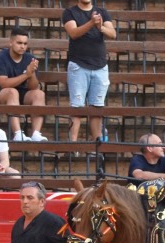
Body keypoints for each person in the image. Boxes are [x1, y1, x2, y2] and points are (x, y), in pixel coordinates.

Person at [63, 0, 115, 144]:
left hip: (100, 65)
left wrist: (100, 27)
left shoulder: (102, 12)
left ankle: (97, 145)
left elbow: (113, 33)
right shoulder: (70, 12)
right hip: (78, 65)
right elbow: (73, 33)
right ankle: (73, 145)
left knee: (97, 108)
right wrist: (91, 23)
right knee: (77, 107)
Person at [0, 27, 48, 143]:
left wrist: (31, 73)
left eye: (25, 43)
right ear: (11, 42)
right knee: (12, 92)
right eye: (19, 43)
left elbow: (33, 87)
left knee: (39, 94)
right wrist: (26, 74)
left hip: (21, 92)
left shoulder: (30, 58)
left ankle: (36, 134)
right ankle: (18, 133)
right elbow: (3, 84)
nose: (22, 46)